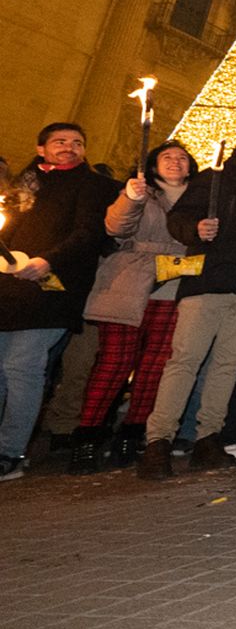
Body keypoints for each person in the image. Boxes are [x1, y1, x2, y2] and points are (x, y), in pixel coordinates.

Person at [140, 119, 236, 479]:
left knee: (227, 366)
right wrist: (194, 228)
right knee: (184, 361)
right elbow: (179, 217)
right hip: (209, 281)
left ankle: (207, 436)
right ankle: (158, 440)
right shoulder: (218, 176)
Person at [0, 123, 119, 482]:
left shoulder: (93, 185)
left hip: (53, 289)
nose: (69, 148)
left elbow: (87, 234)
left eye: (77, 143)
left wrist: (48, 261)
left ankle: (11, 451)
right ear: (41, 148)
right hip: (9, 286)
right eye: (60, 142)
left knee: (23, 368)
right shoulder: (25, 182)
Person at [71, 141, 196, 473]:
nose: (175, 162)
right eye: (167, 157)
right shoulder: (140, 193)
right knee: (114, 363)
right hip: (129, 284)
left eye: (182, 158)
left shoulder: (198, 199)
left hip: (173, 288)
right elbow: (116, 227)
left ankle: (131, 433)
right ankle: (87, 438)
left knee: (155, 367)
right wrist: (131, 197)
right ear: (153, 165)